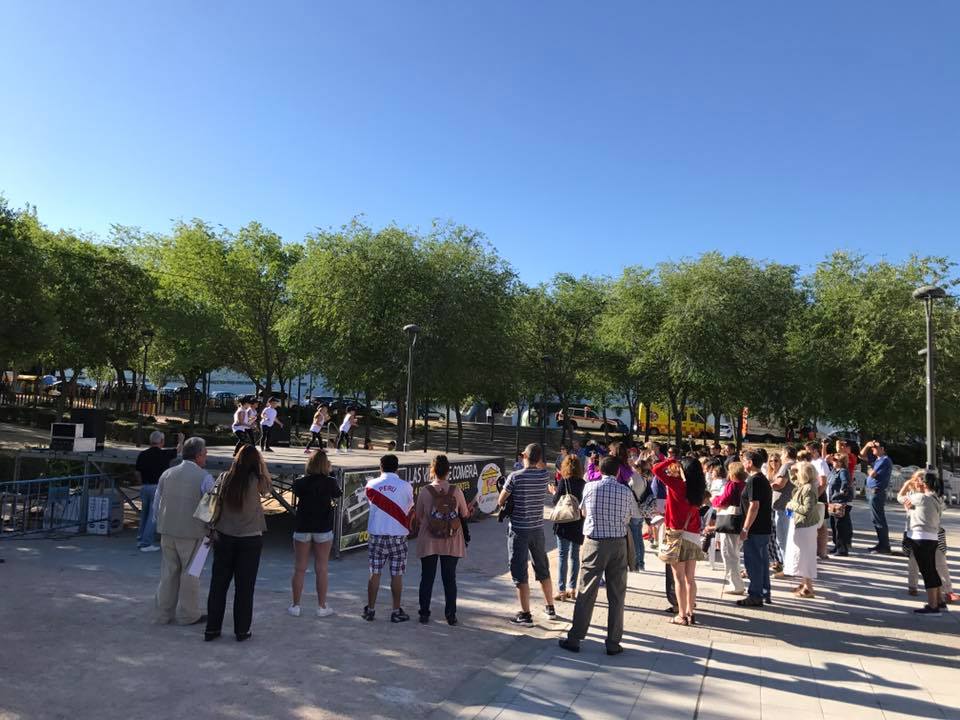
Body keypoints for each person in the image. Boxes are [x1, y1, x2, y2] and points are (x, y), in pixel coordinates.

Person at [559, 454, 636, 655]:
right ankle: (613, 642)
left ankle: (575, 638)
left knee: (586, 591)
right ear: (618, 472)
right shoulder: (625, 491)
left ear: (600, 470)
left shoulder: (590, 487)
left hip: (594, 543)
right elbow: (629, 517)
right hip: (618, 544)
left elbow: (583, 512)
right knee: (617, 594)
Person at [204, 445, 272, 641]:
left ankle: (212, 628)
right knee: (245, 588)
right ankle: (242, 630)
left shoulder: (225, 477)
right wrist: (261, 466)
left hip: (224, 534)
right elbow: (268, 489)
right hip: (250, 537)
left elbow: (212, 502)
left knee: (218, 585)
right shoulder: (257, 480)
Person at [154, 437, 215, 626]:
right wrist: (212, 529)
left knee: (168, 573)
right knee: (191, 574)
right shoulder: (205, 477)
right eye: (205, 454)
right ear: (198, 455)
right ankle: (189, 615)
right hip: (194, 534)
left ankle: (163, 613)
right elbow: (211, 507)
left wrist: (161, 523)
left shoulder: (167, 474)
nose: (206, 457)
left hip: (167, 531)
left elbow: (157, 504)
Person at [498, 443, 557, 627]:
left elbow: (501, 500)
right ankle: (550, 607)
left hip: (518, 529)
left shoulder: (515, 477)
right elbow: (541, 466)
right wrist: (534, 458)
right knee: (542, 567)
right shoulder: (544, 475)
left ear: (524, 456)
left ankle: (525, 614)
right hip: (537, 529)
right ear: (539, 459)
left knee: (519, 571)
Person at [415, 454, 470, 625]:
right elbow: (464, 513)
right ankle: (451, 615)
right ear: (448, 471)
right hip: (451, 539)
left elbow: (419, 515)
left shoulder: (425, 491)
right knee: (449, 578)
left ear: (431, 470)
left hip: (429, 539)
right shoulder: (456, 491)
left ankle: (424, 613)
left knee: (427, 577)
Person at [652, 455, 707, 626]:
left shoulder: (678, 485)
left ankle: (681, 615)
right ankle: (690, 612)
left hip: (676, 534)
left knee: (679, 579)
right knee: (690, 578)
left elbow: (656, 470)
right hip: (693, 534)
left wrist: (671, 459)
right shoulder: (698, 489)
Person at [362, 454, 415, 623]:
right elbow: (409, 507)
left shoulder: (371, 485)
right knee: (397, 575)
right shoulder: (406, 486)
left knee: (375, 573)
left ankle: (370, 610)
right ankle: (396, 611)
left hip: (377, 535)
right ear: (397, 468)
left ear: (380, 467)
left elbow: (370, 504)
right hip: (398, 536)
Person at [289, 450, 342, 618]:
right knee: (322, 568)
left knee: (299, 568)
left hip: (303, 527)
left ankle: (296, 605)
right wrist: (330, 473)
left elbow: (296, 490)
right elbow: (338, 494)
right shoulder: (330, 482)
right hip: (323, 528)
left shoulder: (300, 482)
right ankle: (321, 606)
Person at [898, 471, 956, 605]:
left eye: (920, 480)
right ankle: (935, 598)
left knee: (932, 568)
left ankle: (935, 603)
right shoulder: (932, 496)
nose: (917, 482)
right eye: (916, 479)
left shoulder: (921, 497)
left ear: (924, 483)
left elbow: (900, 497)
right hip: (929, 535)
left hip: (922, 536)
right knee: (925, 566)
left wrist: (906, 485)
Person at [135, 430, 184, 552]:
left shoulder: (142, 454)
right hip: (157, 487)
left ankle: (140, 538)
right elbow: (178, 450)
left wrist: (141, 483)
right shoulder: (164, 454)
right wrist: (181, 440)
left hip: (145, 486)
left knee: (144, 514)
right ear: (161, 441)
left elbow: (137, 472)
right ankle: (146, 543)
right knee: (153, 516)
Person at [737, 449, 773, 608]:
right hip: (762, 527)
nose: (742, 463)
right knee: (762, 562)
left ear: (750, 463)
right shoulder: (761, 479)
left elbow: (754, 505)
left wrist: (745, 529)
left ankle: (755, 595)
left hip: (755, 528)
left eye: (744, 460)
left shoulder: (754, 480)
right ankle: (764, 592)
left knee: (754, 563)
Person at [784, 461, 820, 598]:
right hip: (803, 525)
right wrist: (791, 469)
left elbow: (807, 509)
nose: (796, 474)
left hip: (806, 526)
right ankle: (804, 583)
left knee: (806, 556)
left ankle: (808, 587)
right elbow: (795, 481)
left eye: (798, 471)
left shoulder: (809, 488)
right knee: (801, 556)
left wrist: (792, 504)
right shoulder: (805, 485)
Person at [552, 455, 586, 599]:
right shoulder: (584, 484)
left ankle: (561, 590)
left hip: (563, 523)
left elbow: (555, 501)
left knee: (562, 555)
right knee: (575, 556)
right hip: (578, 523)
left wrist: (553, 492)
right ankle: (572, 588)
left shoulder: (563, 482)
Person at [712, 461, 747, 595]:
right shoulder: (745, 484)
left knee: (728, 553)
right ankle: (737, 583)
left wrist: (714, 500)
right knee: (735, 553)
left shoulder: (732, 484)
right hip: (740, 521)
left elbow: (723, 500)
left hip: (729, 521)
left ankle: (735, 584)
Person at [860, 440, 893, 553]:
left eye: (875, 447)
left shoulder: (885, 460)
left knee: (879, 519)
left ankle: (884, 546)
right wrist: (867, 445)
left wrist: (869, 469)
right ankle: (881, 544)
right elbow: (861, 455)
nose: (873, 449)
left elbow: (873, 474)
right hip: (872, 492)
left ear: (882, 449)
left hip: (877, 492)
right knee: (875, 519)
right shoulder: (877, 459)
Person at [770, 446, 797, 562]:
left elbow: (780, 484)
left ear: (786, 453)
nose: (781, 457)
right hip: (791, 505)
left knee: (783, 538)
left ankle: (786, 564)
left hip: (783, 506)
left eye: (781, 454)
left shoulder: (786, 466)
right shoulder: (797, 464)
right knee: (789, 536)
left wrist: (767, 485)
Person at [827, 452, 853, 556]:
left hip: (840, 502)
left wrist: (843, 490)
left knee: (840, 526)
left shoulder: (843, 471)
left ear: (840, 462)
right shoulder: (834, 471)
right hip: (833, 502)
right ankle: (837, 546)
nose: (832, 461)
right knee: (834, 525)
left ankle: (842, 549)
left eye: (835, 460)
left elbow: (845, 482)